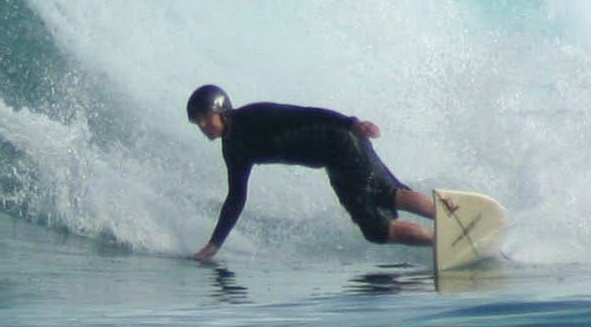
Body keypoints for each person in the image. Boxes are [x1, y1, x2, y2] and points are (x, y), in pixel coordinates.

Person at [185, 84, 435, 264]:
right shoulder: (234, 149)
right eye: (198, 123)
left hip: (342, 141)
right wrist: (214, 244)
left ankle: (445, 228)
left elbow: (305, 113)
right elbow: (236, 198)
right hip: (333, 158)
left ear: (221, 111)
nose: (203, 126)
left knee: (381, 206)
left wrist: (350, 123)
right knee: (379, 218)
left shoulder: (253, 116)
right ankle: (446, 230)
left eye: (206, 118)